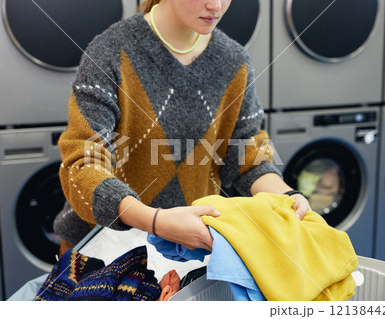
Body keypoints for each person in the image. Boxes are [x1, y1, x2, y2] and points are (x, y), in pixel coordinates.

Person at [53, 0, 312, 255]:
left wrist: (287, 197)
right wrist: (156, 222)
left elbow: (247, 157)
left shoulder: (234, 61)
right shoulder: (110, 51)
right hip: (100, 249)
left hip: (186, 250)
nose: (217, 6)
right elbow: (82, 165)